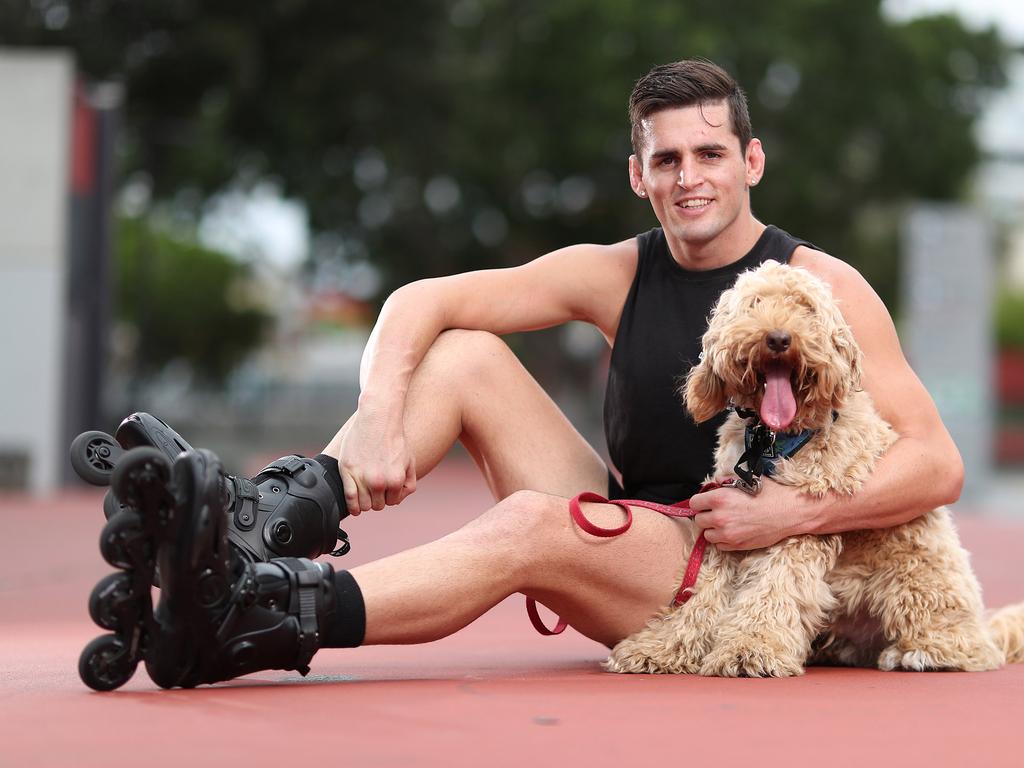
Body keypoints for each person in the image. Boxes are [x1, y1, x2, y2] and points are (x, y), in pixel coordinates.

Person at [82, 59, 963, 689]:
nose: (689, 178)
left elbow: (937, 462)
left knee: (532, 526)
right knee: (466, 353)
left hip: (731, 569)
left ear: (751, 162)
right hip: (642, 524)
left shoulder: (823, 286)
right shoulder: (617, 271)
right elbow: (419, 300)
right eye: (667, 160)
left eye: (710, 154)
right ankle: (258, 523)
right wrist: (382, 415)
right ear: (638, 174)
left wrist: (795, 512)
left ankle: (259, 612)